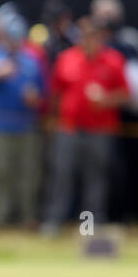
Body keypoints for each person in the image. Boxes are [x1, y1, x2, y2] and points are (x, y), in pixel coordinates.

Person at [42, 16, 129, 234]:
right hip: (69, 128)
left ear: (100, 37)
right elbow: (56, 93)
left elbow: (125, 94)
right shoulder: (66, 59)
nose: (87, 39)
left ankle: (90, 225)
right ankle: (54, 222)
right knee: (61, 176)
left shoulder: (113, 60)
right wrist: (52, 120)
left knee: (95, 178)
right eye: (83, 35)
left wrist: (106, 99)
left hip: (99, 130)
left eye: (92, 35)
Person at [0, 11, 45, 228]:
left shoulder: (31, 61)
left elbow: (42, 93)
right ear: (1, 35)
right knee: (0, 172)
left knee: (28, 173)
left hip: (26, 124)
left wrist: (34, 98)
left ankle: (27, 217)